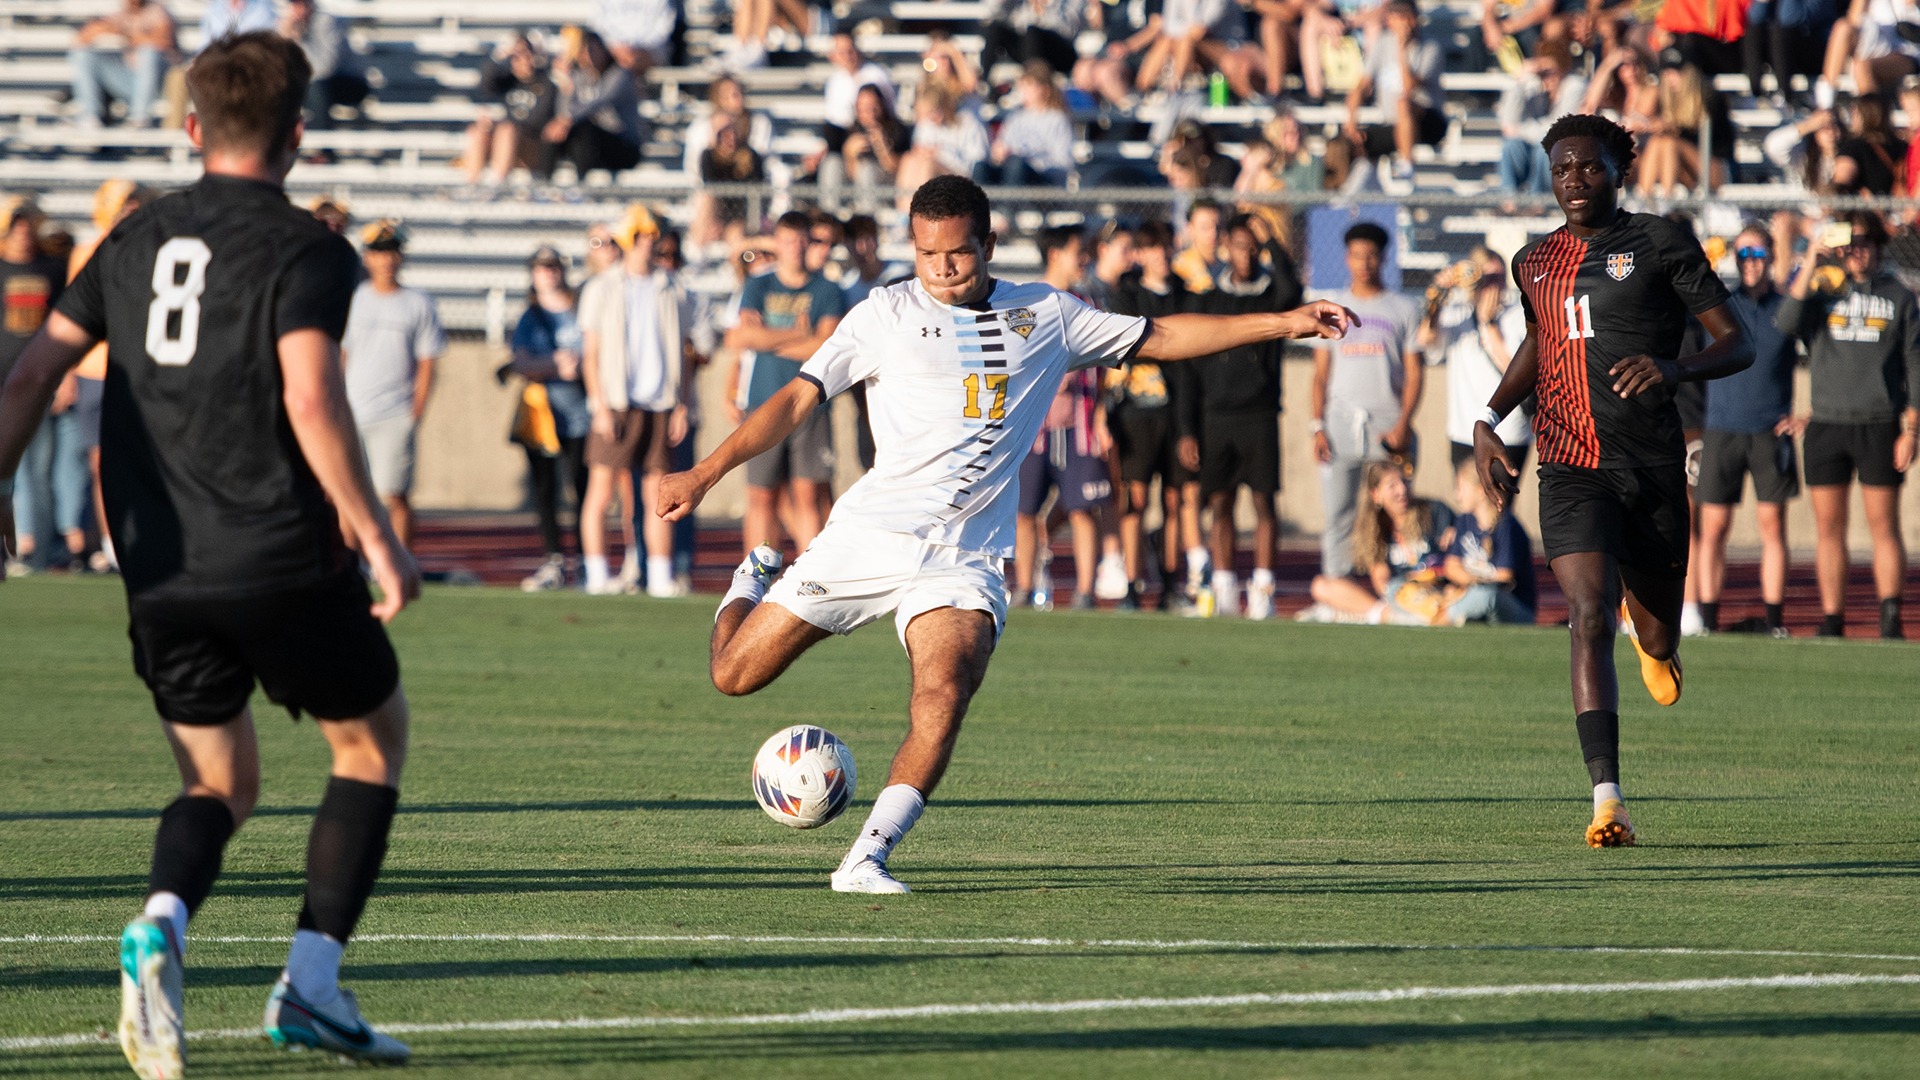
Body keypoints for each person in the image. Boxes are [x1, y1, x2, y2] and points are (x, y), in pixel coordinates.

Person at [656, 175, 1356, 893]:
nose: (941, 269)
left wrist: (1285, 322)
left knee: (942, 694)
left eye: (958, 253)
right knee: (733, 676)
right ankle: (751, 578)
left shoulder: (1046, 314)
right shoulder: (883, 314)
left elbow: (1165, 336)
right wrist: (704, 473)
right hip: (870, 535)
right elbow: (796, 400)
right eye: (927, 254)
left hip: (963, 558)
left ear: (989, 244)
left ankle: (866, 857)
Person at [0, 31, 418, 1073]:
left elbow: (30, 376)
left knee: (218, 784)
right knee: (370, 744)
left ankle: (162, 922)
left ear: (192, 127)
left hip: (159, 570)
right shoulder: (309, 247)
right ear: (297, 134)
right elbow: (312, 395)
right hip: (277, 554)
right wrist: (377, 536)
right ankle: (311, 985)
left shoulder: (131, 237)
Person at [1473, 114, 1753, 849]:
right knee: (1587, 614)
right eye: (1561, 169)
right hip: (1569, 467)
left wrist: (1673, 367)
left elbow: (1738, 343)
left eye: (1589, 166)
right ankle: (1608, 800)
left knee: (1654, 634)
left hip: (1652, 466)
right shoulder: (1533, 261)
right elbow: (1542, 339)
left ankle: (1653, 638)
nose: (1574, 180)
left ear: (1619, 170)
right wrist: (1491, 417)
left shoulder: (1660, 242)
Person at [1776, 209, 1919, 639]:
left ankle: (1890, 617)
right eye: (1850, 243)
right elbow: (1786, 322)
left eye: (1865, 243)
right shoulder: (1822, 289)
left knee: (1884, 526)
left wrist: (1911, 430)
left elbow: (1914, 365)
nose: (1857, 251)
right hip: (1827, 423)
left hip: (1879, 422)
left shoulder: (1899, 296)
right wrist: (1812, 260)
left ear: (1878, 246)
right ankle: (1832, 618)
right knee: (1829, 529)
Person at [577, 204, 700, 596]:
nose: (649, 242)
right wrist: (599, 405)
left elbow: (684, 351)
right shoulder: (602, 287)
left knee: (655, 493)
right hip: (617, 401)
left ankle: (660, 575)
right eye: (642, 235)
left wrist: (681, 404)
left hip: (659, 402)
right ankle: (597, 574)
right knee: (601, 491)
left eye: (652, 235)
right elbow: (591, 354)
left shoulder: (671, 286)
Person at [1186, 214, 1302, 618]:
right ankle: (1223, 588)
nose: (1247, 255)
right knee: (1220, 503)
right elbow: (1191, 370)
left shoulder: (1270, 294)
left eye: (1253, 248)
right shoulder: (1209, 299)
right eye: (1240, 246)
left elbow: (1292, 292)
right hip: (1216, 416)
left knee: (1264, 503)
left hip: (1260, 415)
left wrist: (1272, 242)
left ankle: (1263, 589)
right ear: (1226, 248)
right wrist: (1187, 428)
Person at [722, 211, 847, 560]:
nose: (795, 248)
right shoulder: (758, 285)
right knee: (761, 495)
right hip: (763, 401)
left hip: (810, 403)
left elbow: (824, 346)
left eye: (801, 240)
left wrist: (767, 338)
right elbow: (741, 338)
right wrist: (797, 333)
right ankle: (755, 577)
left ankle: (812, 574)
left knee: (808, 495)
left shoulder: (827, 289)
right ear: (776, 243)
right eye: (787, 240)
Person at [1694, 226, 1799, 637]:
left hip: (1769, 431)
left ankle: (1774, 622)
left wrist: (1806, 414)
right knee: (1713, 529)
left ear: (1771, 256)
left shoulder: (1785, 307)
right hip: (1722, 429)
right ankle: (1708, 621)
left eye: (1757, 253)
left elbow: (1831, 355)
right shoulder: (1721, 304)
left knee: (1773, 527)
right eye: (1742, 255)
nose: (1750, 262)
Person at [1308, 220, 1423, 582]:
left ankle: (1399, 587)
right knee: (1338, 513)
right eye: (1357, 255)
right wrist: (1317, 426)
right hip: (1339, 426)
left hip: (1387, 425)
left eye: (1371, 255)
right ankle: (1338, 588)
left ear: (1383, 257)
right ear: (1346, 258)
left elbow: (1414, 372)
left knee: (1394, 511)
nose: (1364, 263)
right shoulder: (1332, 307)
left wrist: (1404, 423)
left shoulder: (1404, 307)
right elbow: (1320, 375)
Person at [1014, 227, 1113, 610]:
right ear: (1054, 253)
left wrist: (1101, 416)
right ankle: (1024, 587)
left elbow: (1104, 366)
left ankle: (1085, 591)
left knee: (1083, 509)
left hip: (1079, 427)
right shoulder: (1027, 302)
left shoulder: (1090, 302)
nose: (1084, 259)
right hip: (1034, 429)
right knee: (1023, 511)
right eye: (1077, 251)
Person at [1109, 221, 1200, 609]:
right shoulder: (1127, 295)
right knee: (1136, 500)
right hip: (1136, 414)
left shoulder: (1184, 295)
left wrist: (1189, 427)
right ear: (1140, 254)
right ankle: (1132, 583)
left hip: (1175, 414)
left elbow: (1189, 363)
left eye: (1166, 248)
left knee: (1176, 500)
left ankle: (1168, 582)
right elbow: (1132, 348)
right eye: (1153, 248)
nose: (1161, 255)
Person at [342, 220, 443, 553]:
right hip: (353, 411)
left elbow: (427, 362)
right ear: (367, 257)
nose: (386, 259)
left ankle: (399, 562)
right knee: (348, 495)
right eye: (379, 251)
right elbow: (341, 355)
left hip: (394, 414)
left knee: (394, 494)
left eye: (392, 251)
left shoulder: (418, 303)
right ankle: (349, 566)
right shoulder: (353, 299)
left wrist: (415, 411)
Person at [506, 245, 591, 592]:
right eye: (542, 267)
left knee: (583, 488)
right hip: (542, 416)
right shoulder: (530, 317)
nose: (549, 273)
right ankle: (554, 558)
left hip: (581, 415)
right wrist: (555, 366)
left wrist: (581, 368)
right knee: (545, 489)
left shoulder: (579, 310)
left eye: (554, 266)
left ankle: (586, 559)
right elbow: (520, 362)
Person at [2, 198, 70, 575]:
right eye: (18, 225)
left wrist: (65, 375)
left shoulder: (51, 268)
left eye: (29, 225)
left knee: (39, 471)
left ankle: (39, 552)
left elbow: (65, 324)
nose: (24, 233)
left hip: (36, 383)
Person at [1423, 246, 1531, 483]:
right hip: (1464, 429)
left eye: (1499, 278)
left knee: (1498, 500)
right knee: (1467, 500)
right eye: (1487, 278)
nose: (1494, 286)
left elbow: (1518, 374)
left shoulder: (1518, 316)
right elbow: (1426, 339)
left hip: (1507, 431)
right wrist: (1437, 294)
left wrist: (1488, 324)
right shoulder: (1459, 314)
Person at [1307, 459, 1454, 623]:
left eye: (1404, 481)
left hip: (1439, 590)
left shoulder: (1435, 511)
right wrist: (1400, 593)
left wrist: (1455, 535)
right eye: (1392, 485)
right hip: (1400, 593)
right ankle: (1388, 615)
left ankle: (1367, 615)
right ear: (1376, 495)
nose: (1402, 490)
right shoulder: (1374, 528)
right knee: (1321, 586)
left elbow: (1458, 558)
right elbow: (1382, 582)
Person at [1343, 0, 1446, 184]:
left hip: (1427, 121)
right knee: (1347, 144)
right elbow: (1361, 86)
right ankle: (1343, 190)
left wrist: (1402, 50)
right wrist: (1351, 123)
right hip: (1393, 123)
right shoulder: (1382, 43)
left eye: (1403, 17)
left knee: (1403, 103)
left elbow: (1409, 88)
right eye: (1395, 16)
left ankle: (1406, 166)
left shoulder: (1430, 47)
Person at [539, 31, 644, 187]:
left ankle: (582, 185)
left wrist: (567, 120)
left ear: (604, 50)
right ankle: (545, 183)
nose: (589, 55)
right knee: (553, 130)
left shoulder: (619, 75)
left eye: (593, 50)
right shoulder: (580, 76)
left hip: (623, 145)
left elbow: (600, 101)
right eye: (584, 51)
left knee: (581, 128)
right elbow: (565, 111)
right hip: (592, 145)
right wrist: (565, 85)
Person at [1440, 459, 1537, 624]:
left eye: (1461, 488)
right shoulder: (1464, 520)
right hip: (1474, 595)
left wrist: (1469, 585)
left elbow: (1504, 576)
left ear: (1481, 490)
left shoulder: (1506, 524)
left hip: (1515, 607)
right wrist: (1470, 585)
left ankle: (1444, 618)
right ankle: (1463, 615)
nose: (1457, 495)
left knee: (1487, 596)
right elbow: (1451, 566)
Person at [459, 32, 555, 196]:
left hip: (533, 143)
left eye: (526, 54)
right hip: (508, 142)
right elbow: (486, 83)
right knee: (478, 131)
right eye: (516, 56)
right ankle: (472, 184)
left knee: (507, 129)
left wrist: (506, 126)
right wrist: (499, 56)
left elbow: (540, 119)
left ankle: (497, 184)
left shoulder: (546, 82)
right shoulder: (509, 81)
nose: (522, 60)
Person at [1496, 40, 1588, 195]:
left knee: (1544, 151)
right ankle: (1509, 200)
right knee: (1511, 146)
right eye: (1541, 73)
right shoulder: (1534, 88)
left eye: (1549, 72)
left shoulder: (1575, 86)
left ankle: (1538, 201)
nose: (1545, 78)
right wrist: (1520, 81)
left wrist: (1520, 130)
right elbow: (1507, 124)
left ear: (1563, 68)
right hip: (1535, 144)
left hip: (1566, 151)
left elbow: (1559, 131)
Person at [68, 0, 177, 129]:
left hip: (160, 83)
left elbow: (162, 42)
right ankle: (90, 117)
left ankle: (139, 118)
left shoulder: (158, 12)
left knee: (148, 53)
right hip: (128, 80)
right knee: (84, 55)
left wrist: (127, 35)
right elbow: (82, 39)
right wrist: (103, 29)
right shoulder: (120, 15)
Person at [973, 63, 1078, 188]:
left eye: (1028, 86)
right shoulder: (1015, 118)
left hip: (1041, 178)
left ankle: (1010, 201)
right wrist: (999, 153)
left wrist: (1026, 158)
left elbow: (1063, 162)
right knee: (980, 167)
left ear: (1044, 89)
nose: (1023, 91)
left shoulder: (1057, 119)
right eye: (1022, 86)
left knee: (1016, 164)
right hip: (1010, 171)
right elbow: (1002, 147)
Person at [280, 0, 367, 131]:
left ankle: (321, 137)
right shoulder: (289, 27)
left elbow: (326, 67)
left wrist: (297, 42)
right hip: (314, 81)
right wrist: (284, 39)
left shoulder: (327, 22)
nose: (297, 10)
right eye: (294, 5)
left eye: (301, 4)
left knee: (315, 87)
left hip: (347, 80)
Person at [982, 0, 1088, 77]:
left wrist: (1044, 7)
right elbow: (994, 10)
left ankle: (1032, 82)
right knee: (995, 29)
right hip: (1027, 46)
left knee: (1032, 33)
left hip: (1060, 50)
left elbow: (1068, 30)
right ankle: (984, 82)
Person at [595, 0, 679, 76]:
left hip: (652, 53)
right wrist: (616, 47)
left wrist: (639, 52)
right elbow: (598, 22)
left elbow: (664, 25)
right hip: (612, 54)